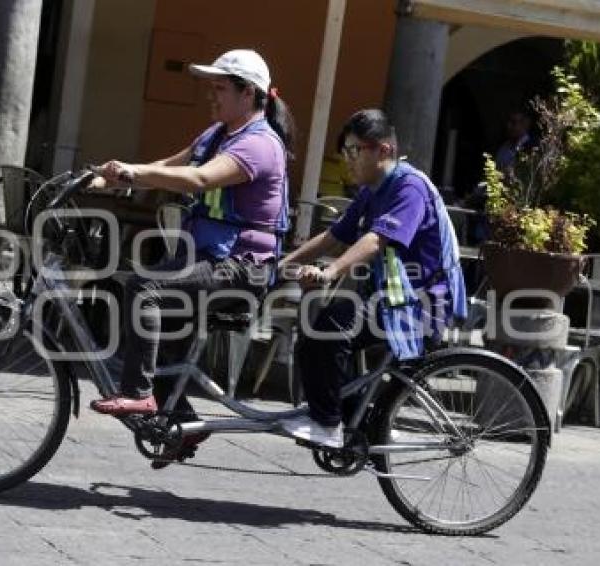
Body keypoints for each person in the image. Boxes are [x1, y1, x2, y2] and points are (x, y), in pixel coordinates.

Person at [88, 49, 295, 460]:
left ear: (249, 93)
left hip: (241, 268)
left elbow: (198, 179)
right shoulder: (216, 134)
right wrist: (110, 179)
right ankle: (181, 423)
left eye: (220, 88)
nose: (211, 97)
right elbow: (172, 163)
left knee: (144, 288)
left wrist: (132, 172)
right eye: (210, 89)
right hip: (207, 257)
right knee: (162, 336)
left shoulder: (260, 145)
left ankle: (138, 394)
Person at [277, 109, 467, 448]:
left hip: (422, 304)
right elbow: (335, 236)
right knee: (316, 333)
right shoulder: (372, 189)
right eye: (345, 152)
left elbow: (376, 239)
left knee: (329, 328)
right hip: (391, 298)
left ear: (384, 151)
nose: (347, 160)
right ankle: (357, 426)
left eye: (354, 151)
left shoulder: (409, 188)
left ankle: (328, 424)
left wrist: (330, 272)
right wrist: (281, 266)